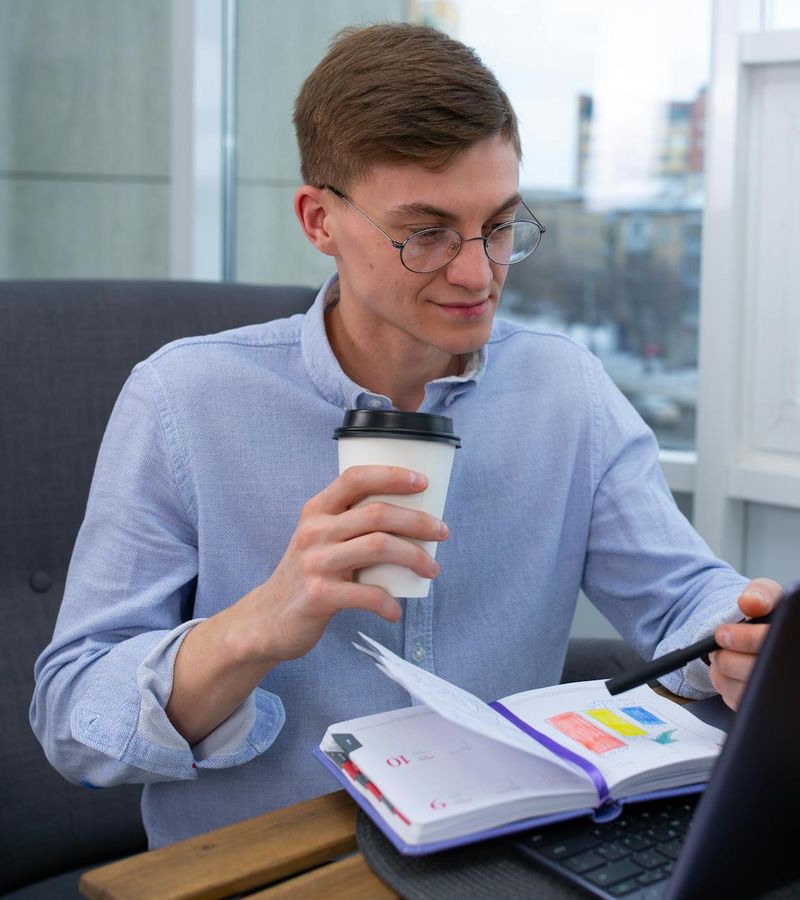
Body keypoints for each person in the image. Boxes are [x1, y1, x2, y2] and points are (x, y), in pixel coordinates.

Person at [31, 22, 781, 849]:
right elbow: (72, 719)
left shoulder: (564, 391)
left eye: (499, 224)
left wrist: (744, 643)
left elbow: (684, 598)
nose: (476, 272)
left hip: (498, 856)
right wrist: (254, 627)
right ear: (319, 220)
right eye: (425, 233)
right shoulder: (183, 398)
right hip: (264, 870)